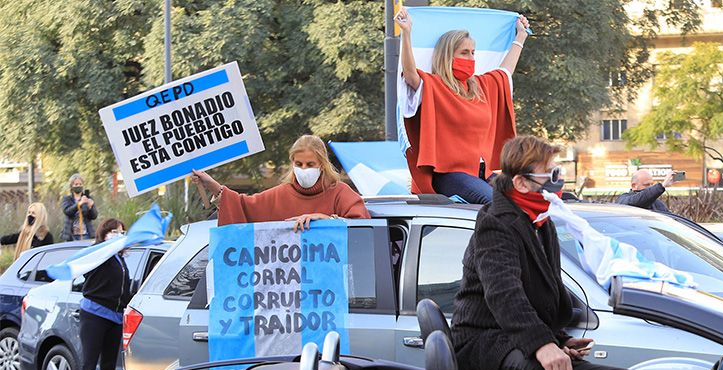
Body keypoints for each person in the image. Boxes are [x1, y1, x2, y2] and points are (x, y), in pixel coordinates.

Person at [452, 135, 644, 370]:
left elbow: (546, 292)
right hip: (485, 344)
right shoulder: (496, 223)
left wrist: (559, 340)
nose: (559, 181)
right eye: (552, 174)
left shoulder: (541, 220)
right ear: (521, 183)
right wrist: (543, 346)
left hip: (516, 341)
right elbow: (505, 295)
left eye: (559, 172)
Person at [395, 4, 528, 204]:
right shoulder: (433, 85)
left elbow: (505, 72)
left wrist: (520, 37)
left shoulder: (481, 87)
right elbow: (411, 74)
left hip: (481, 172)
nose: (471, 58)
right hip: (448, 175)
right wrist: (406, 33)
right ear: (447, 56)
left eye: (473, 52)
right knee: (498, 205)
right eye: (464, 53)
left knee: (527, 202)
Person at [190, 135, 370, 230]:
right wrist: (211, 184)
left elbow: (362, 229)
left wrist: (324, 219)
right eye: (298, 164)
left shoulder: (340, 193)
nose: (304, 169)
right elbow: (241, 206)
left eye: (310, 164)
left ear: (322, 165)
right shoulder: (279, 194)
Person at [71, 218, 130, 370]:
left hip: (115, 317)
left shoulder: (119, 258)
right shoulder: (99, 254)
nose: (118, 235)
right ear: (104, 235)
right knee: (88, 367)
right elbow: (82, 266)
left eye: (121, 232)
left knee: (108, 369)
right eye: (114, 232)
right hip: (94, 315)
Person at [60, 173, 96, 241]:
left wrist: (90, 207)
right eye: (76, 184)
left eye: (80, 184)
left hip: (85, 234)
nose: (78, 186)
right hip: (71, 235)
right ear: (71, 186)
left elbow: (94, 216)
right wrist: (79, 204)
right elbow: (67, 211)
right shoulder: (67, 199)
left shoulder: (88, 198)